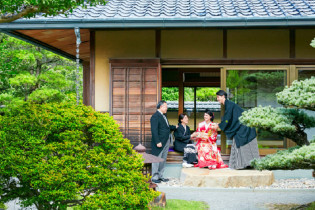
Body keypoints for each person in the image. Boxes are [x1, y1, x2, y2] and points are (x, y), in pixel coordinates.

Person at [213, 90, 260, 169]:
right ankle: (240, 165)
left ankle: (242, 164)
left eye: (218, 97)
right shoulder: (229, 105)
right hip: (243, 127)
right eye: (217, 97)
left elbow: (227, 119)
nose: (217, 99)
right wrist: (220, 125)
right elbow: (229, 119)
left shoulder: (229, 105)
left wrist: (219, 126)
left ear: (223, 96)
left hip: (244, 128)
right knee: (239, 144)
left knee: (241, 144)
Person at [150, 100, 176, 183]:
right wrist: (157, 141)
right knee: (156, 159)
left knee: (163, 159)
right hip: (159, 142)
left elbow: (166, 127)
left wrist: (175, 127)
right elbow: (154, 130)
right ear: (161, 107)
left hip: (166, 141)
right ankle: (154, 177)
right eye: (166, 107)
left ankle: (160, 176)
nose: (167, 108)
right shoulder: (155, 116)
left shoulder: (164, 116)